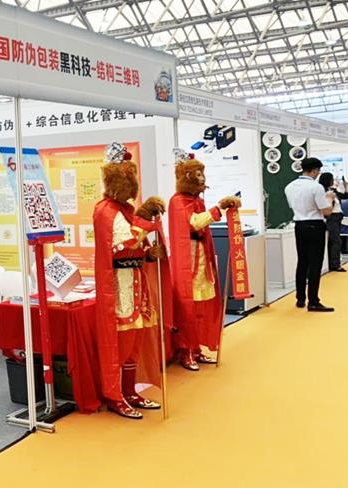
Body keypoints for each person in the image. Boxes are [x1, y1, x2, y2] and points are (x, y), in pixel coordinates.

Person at [93, 142, 168, 419]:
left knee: (135, 341)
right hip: (119, 286)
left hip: (136, 280)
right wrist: (146, 221)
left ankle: (130, 390)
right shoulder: (105, 210)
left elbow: (135, 244)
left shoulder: (125, 209)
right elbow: (123, 242)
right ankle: (116, 396)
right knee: (122, 342)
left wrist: (149, 253)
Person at [168, 151, 241, 371]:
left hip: (201, 260)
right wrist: (218, 209)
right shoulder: (178, 201)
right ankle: (186, 350)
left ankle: (197, 347)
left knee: (201, 307)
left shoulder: (197, 200)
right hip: (188, 262)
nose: (202, 178)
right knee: (187, 308)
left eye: (202, 173)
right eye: (197, 174)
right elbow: (194, 223)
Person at [284, 157, 334, 312]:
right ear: (314, 170)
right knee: (315, 264)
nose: (318, 174)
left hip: (299, 225)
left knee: (302, 262)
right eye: (318, 171)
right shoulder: (316, 187)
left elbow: (292, 206)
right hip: (315, 226)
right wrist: (330, 199)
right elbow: (326, 211)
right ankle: (313, 301)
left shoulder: (289, 186)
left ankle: (300, 298)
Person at [319, 172, 347, 273]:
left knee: (334, 240)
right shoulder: (322, 191)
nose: (334, 181)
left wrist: (345, 186)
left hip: (337, 217)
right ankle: (335, 264)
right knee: (335, 241)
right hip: (331, 217)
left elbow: (345, 196)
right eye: (332, 179)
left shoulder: (333, 191)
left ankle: (333, 263)